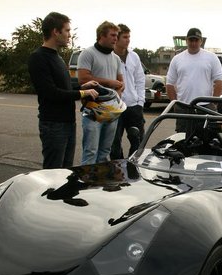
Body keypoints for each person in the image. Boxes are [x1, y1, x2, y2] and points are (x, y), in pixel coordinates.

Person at [28, 12, 99, 169]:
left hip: (67, 123)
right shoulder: (38, 57)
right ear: (55, 31)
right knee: (53, 173)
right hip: (53, 125)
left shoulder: (57, 58)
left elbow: (64, 87)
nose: (69, 35)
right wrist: (82, 93)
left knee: (65, 172)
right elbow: (51, 92)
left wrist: (82, 87)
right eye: (67, 30)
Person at [77, 21, 125, 164]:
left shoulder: (116, 58)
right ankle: (87, 183)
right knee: (91, 151)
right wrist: (109, 82)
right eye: (112, 35)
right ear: (101, 36)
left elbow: (121, 82)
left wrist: (119, 90)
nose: (115, 38)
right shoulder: (88, 53)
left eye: (117, 36)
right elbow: (83, 78)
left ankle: (100, 182)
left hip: (111, 112)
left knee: (105, 152)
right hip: (93, 111)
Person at [165, 27, 222, 132]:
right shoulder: (177, 59)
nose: (193, 43)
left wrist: (214, 102)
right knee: (182, 140)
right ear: (186, 41)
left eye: (196, 40)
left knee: (207, 140)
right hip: (183, 108)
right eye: (191, 40)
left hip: (205, 107)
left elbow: (219, 81)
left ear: (201, 41)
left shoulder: (211, 57)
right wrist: (175, 102)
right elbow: (169, 83)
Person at [110, 24, 146, 159]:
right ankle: (117, 172)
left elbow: (140, 80)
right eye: (125, 37)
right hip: (115, 107)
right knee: (114, 144)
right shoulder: (109, 56)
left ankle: (132, 169)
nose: (128, 40)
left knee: (138, 142)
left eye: (129, 37)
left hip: (133, 106)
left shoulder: (134, 56)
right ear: (117, 39)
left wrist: (140, 102)